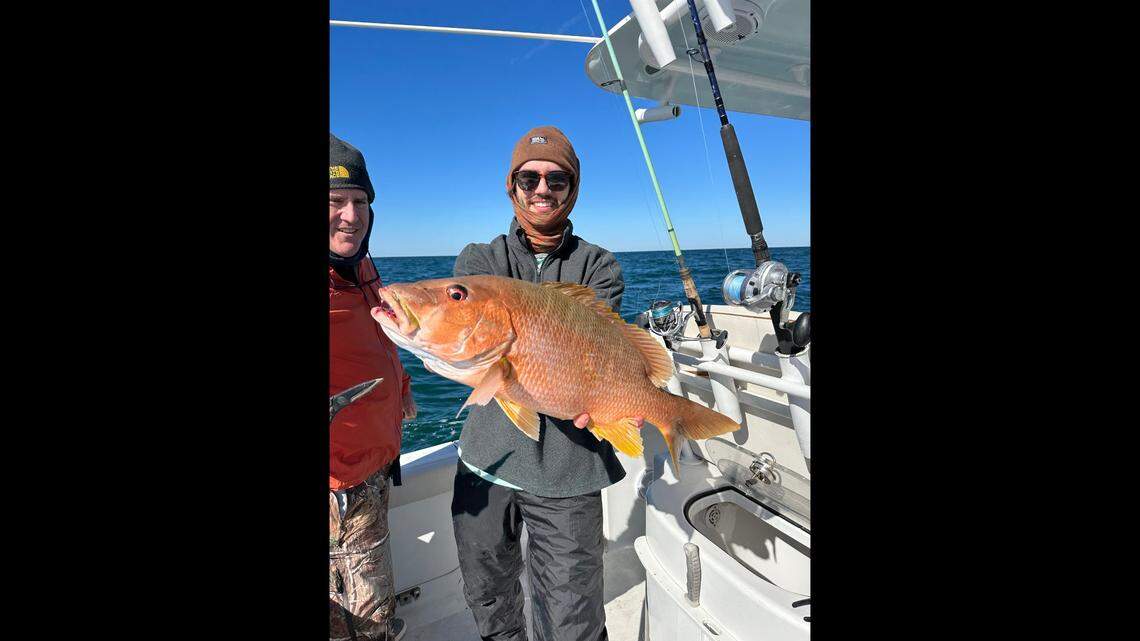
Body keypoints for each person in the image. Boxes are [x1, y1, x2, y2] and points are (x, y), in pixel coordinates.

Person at [451, 126, 639, 641]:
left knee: (572, 617)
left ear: (572, 190)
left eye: (557, 179)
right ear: (510, 186)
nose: (542, 189)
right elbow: (461, 348)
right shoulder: (479, 262)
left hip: (570, 470)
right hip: (486, 461)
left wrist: (608, 402)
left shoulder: (598, 265)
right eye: (528, 177)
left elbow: (599, 350)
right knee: (490, 600)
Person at [329, 133, 416, 641]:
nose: (350, 215)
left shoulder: (362, 268)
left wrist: (400, 383)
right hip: (340, 490)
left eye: (360, 202)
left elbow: (374, 345)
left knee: (374, 608)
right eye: (334, 202)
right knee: (362, 626)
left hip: (375, 468)